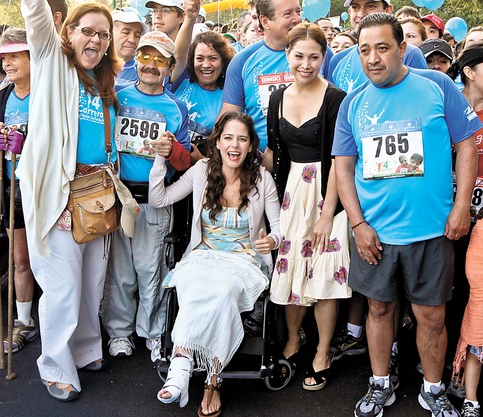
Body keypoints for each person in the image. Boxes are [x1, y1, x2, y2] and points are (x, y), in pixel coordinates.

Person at [332, 13, 481, 417]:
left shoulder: (437, 86)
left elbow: (467, 145)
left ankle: (432, 390)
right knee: (379, 310)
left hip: (431, 230)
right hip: (376, 233)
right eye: (364, 50)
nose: (372, 58)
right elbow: (343, 167)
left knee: (431, 315)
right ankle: (380, 382)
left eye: (382, 48)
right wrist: (358, 224)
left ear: (402, 48)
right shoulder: (352, 103)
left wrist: (460, 207)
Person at [19, 0, 122, 401]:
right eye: (87, 30)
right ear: (69, 32)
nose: (95, 39)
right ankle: (56, 366)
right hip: (60, 192)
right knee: (62, 286)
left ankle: (85, 349)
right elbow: (35, 14)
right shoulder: (51, 60)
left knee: (91, 282)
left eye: (103, 34)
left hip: (97, 193)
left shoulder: (105, 81)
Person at [151, 111, 280, 417]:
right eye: (228, 138)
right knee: (193, 284)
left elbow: (278, 227)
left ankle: (209, 377)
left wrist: (272, 241)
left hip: (244, 260)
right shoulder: (201, 171)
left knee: (223, 290)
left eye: (242, 139)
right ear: (218, 142)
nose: (234, 145)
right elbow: (159, 199)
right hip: (203, 255)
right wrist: (160, 159)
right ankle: (185, 367)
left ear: (251, 145)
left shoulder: (262, 179)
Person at [263, 22, 351, 391]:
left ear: (324, 57)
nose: (306, 64)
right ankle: (293, 339)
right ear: (287, 55)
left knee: (325, 273)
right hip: (289, 193)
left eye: (314, 57)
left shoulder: (335, 98)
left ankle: (323, 351)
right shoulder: (277, 98)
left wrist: (327, 214)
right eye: (299, 56)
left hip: (328, 191)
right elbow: (273, 153)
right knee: (291, 268)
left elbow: (339, 158)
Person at [102, 31, 191, 360]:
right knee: (120, 271)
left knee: (152, 269)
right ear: (135, 60)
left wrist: (172, 150)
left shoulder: (176, 107)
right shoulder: (116, 96)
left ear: (170, 67)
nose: (151, 65)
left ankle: (153, 333)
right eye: (145, 57)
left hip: (154, 200)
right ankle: (119, 332)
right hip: (118, 195)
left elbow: (185, 162)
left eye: (160, 59)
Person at [0, 28, 37, 355]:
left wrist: (28, 142)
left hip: (44, 190)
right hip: (10, 189)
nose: (7, 63)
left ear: (33, 58)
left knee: (51, 261)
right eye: (4, 57)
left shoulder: (49, 95)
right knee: (20, 260)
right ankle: (24, 322)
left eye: (15, 56)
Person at [449, 42, 483, 417]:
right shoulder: (449, 107)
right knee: (451, 290)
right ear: (470, 72)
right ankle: (450, 363)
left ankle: (467, 366)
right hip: (452, 213)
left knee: (476, 296)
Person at [219, 0, 303, 151]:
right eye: (287, 14)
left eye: (298, 11)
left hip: (310, 158)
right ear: (265, 21)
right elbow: (229, 119)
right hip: (261, 159)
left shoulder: (320, 53)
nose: (296, 19)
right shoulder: (242, 61)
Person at [168, 0, 235, 161]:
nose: (206, 65)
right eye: (200, 58)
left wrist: (201, 160)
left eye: (213, 58)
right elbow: (178, 55)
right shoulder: (181, 80)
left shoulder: (229, 97)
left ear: (223, 62)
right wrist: (190, 18)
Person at [328, 0, 427, 94]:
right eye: (355, 7)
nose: (361, 14)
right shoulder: (338, 60)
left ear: (388, 11)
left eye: (370, 6)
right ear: (349, 12)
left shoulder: (411, 54)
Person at [111, 7, 149, 89]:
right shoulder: (94, 67)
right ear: (110, 33)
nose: (132, 40)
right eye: (125, 33)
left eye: (137, 35)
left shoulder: (144, 73)